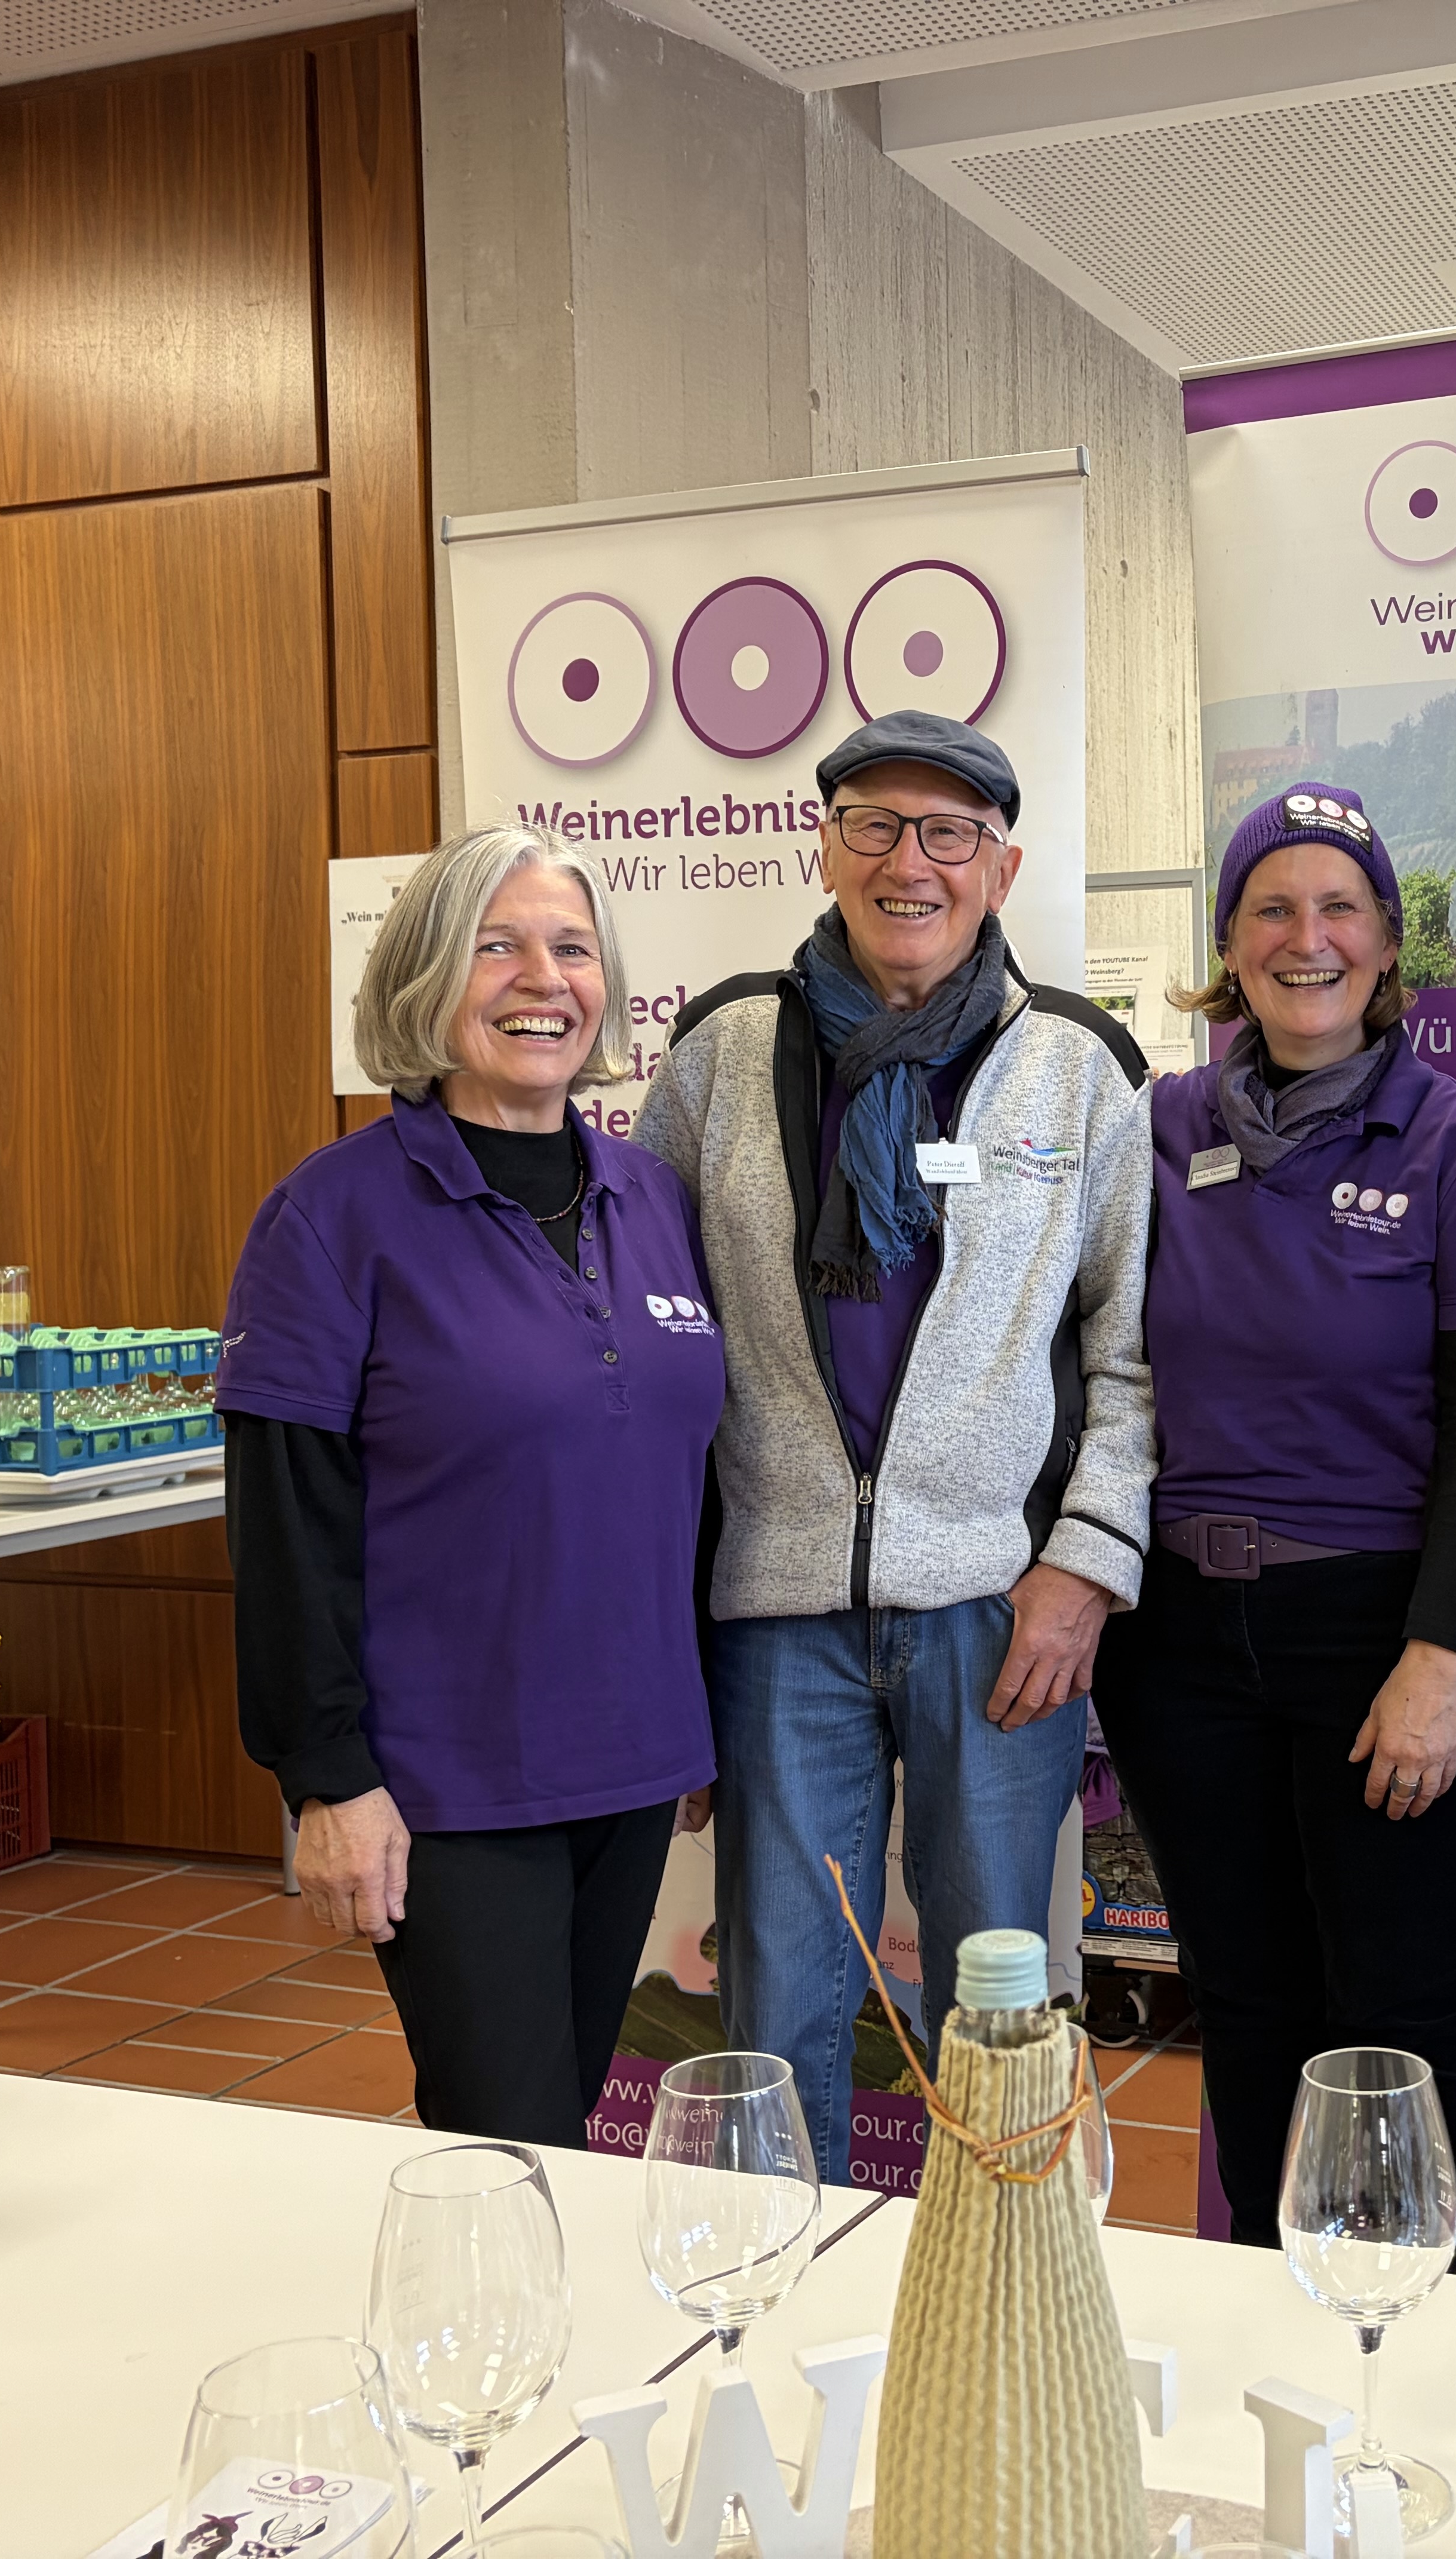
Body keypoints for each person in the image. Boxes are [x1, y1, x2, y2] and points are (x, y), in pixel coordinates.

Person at [634, 710, 1153, 2183]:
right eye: (873, 824)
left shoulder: (1078, 1067)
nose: (907, 863)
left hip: (1001, 1606)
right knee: (782, 1995)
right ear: (825, 843)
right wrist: (665, 1610)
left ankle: (995, 2303)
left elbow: (1134, 1351)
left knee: (995, 2002)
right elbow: (658, 1328)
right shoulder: (725, 1054)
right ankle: (775, 2307)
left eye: (947, 835)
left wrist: (1087, 1567)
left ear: (1001, 867)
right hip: (779, 1607)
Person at [1092, 782, 1456, 2273]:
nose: (1308, 939)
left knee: (1403, 2009)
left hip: (1389, 1631)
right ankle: (1272, 2310)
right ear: (1229, 940)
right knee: (1249, 1999)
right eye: (1273, 909)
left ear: (1385, 941)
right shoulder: (1157, 1131)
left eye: (1339, 907)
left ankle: (1445, 2331)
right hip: (1182, 1646)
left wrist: (1441, 1652)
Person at [220, 824, 722, 2143]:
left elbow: (688, 1475)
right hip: (451, 1780)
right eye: (495, 945)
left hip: (629, 1761)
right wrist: (326, 1779)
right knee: (506, 2132)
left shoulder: (652, 1198)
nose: (539, 978)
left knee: (571, 2118)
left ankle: (541, 2344)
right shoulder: (330, 1219)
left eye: (569, 947)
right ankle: (490, 2349)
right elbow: (288, 1524)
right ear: (426, 979)